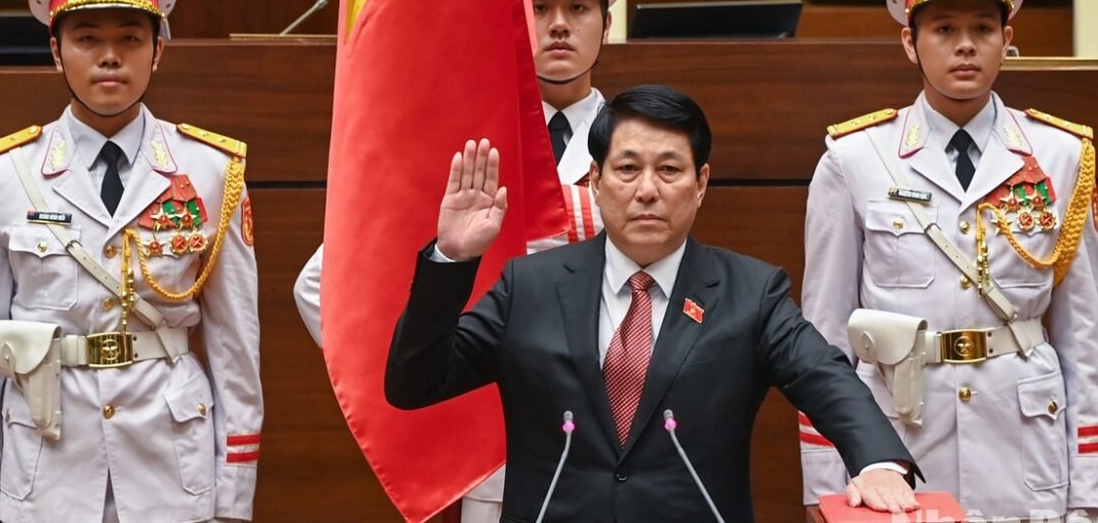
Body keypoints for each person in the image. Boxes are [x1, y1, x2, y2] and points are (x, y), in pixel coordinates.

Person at [386, 85, 920, 522]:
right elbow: (414, 384)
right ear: (595, 181)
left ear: (701, 183)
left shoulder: (750, 292)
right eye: (627, 170)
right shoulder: (528, 287)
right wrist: (450, 262)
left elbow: (824, 375)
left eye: (669, 170)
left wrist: (876, 460)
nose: (647, 190)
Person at [295, 0, 625, 516]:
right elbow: (324, 286)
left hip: (607, 445)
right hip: (493, 457)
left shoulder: (639, 149)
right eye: (536, 3)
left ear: (607, 21)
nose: (556, 25)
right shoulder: (459, 144)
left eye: (578, 8)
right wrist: (442, 374)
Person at [798, 0, 1098, 520]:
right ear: (911, 43)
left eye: (982, 29)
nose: (965, 45)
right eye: (944, 29)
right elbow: (824, 339)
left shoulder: (1060, 156)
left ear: (1007, 39)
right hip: (897, 448)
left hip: (1025, 448)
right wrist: (823, 487)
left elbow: (1083, 340)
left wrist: (1092, 500)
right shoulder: (856, 159)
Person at [0, 0, 262, 522]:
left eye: (130, 38)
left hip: (171, 467)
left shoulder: (209, 172)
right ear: (55, 50)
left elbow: (236, 351)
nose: (109, 56)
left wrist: (234, 498)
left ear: (157, 50)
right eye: (87, 38)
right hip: (45, 468)